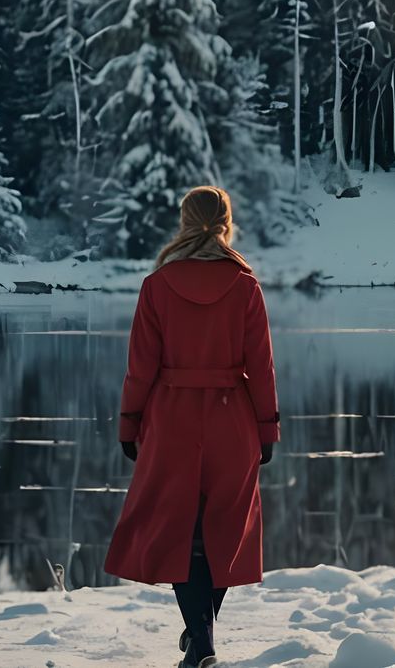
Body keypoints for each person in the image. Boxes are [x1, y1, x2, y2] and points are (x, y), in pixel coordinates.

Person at [105, 186, 280, 668]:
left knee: (180, 529)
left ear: (184, 222)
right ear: (226, 222)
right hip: (233, 420)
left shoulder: (157, 285)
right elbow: (262, 368)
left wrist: (129, 422)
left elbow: (140, 367)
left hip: (171, 419)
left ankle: (200, 641)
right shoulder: (245, 286)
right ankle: (200, 637)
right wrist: (267, 429)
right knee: (224, 530)